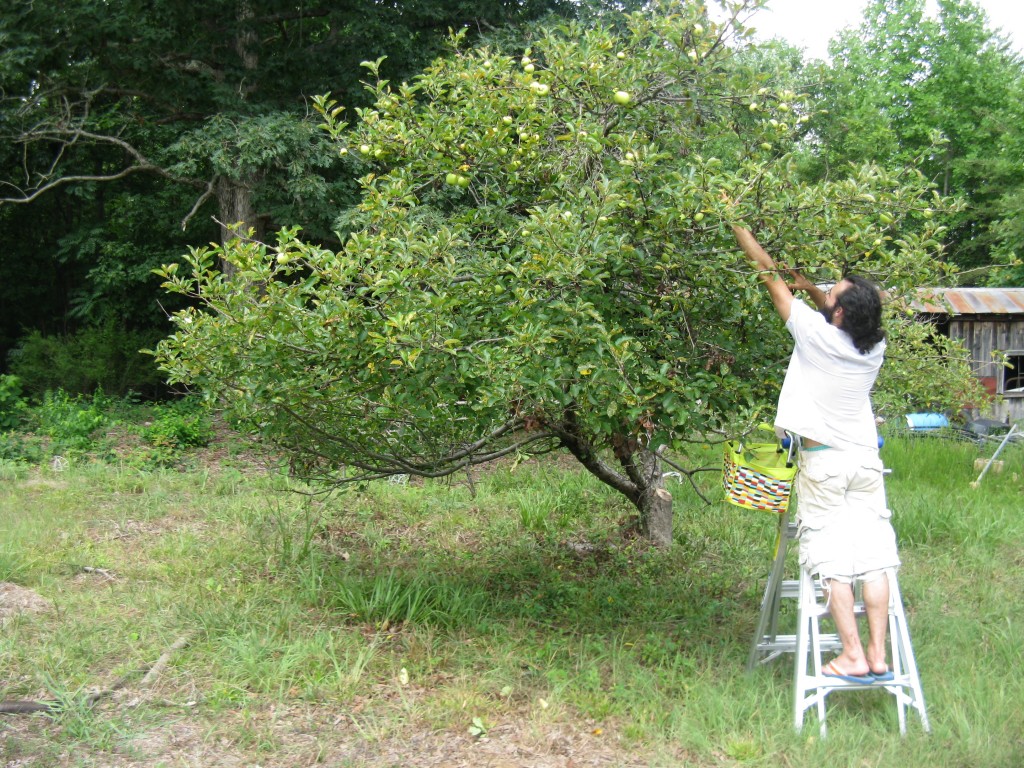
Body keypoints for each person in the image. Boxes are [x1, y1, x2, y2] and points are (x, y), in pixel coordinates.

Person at [728, 221, 899, 684]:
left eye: (832, 295)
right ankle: (879, 655)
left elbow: (767, 273)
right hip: (865, 463)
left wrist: (737, 224)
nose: (825, 296)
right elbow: (851, 305)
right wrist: (816, 288)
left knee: (832, 560)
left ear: (839, 314)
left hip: (824, 464)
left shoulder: (814, 335)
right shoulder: (875, 346)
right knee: (874, 558)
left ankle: (851, 656)